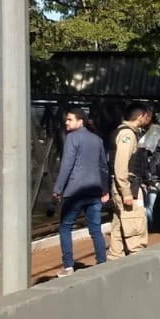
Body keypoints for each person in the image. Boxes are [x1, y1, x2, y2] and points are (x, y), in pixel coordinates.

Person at [52, 107, 109, 276]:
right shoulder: (97, 140)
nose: (66, 122)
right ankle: (101, 263)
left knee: (65, 227)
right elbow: (103, 167)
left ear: (80, 121)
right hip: (94, 191)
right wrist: (105, 189)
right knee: (95, 228)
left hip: (74, 192)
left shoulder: (72, 138)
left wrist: (58, 189)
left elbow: (67, 165)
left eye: (70, 119)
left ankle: (68, 266)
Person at [107, 102, 154, 260]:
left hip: (125, 185)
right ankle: (139, 267)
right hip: (128, 187)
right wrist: (126, 191)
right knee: (135, 230)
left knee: (120, 229)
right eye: (148, 116)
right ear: (141, 116)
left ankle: (114, 261)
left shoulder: (127, 133)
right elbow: (121, 166)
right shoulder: (127, 134)